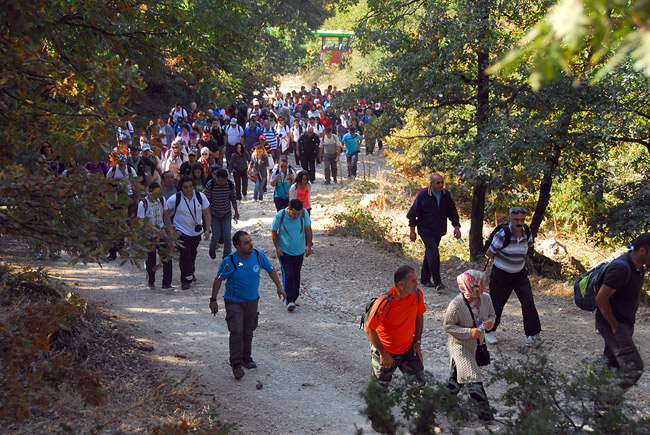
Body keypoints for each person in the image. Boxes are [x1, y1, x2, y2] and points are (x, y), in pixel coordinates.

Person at [210, 231, 286, 380]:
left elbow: (270, 269)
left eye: (250, 241)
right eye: (246, 242)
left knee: (248, 330)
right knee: (236, 330)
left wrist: (279, 287)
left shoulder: (258, 255)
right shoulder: (229, 261)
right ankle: (236, 364)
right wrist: (213, 300)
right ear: (238, 246)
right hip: (234, 302)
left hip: (252, 301)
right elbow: (218, 280)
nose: (251, 244)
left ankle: (247, 358)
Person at [595, 232, 650, 391]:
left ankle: (600, 411)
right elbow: (601, 298)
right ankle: (606, 402)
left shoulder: (638, 267)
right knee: (634, 368)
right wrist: (614, 325)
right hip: (613, 324)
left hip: (624, 323)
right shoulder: (621, 268)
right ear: (642, 251)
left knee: (610, 367)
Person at [484, 206, 541, 346]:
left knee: (528, 302)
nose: (519, 223)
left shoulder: (527, 232)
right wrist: (502, 264)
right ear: (510, 219)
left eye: (522, 219)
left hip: (520, 274)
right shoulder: (503, 235)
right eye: (516, 219)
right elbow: (490, 253)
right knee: (496, 304)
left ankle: (532, 335)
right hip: (501, 274)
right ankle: (488, 331)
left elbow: (529, 248)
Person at [443, 270, 495, 421]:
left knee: (457, 376)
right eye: (481, 283)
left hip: (477, 345)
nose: (484, 285)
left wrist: (489, 323)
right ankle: (484, 413)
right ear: (472, 286)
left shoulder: (486, 298)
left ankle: (443, 402)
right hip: (460, 346)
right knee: (472, 376)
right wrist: (469, 332)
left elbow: (492, 315)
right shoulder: (456, 305)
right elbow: (448, 327)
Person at [364, 265, 426, 387]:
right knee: (379, 390)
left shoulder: (417, 295)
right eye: (413, 281)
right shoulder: (384, 302)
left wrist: (417, 341)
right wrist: (383, 353)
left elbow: (419, 316)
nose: (416, 284)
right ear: (401, 285)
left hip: (408, 349)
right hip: (387, 350)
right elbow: (369, 329)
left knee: (419, 386)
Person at [407, 173, 461, 290]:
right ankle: (437, 282)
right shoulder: (423, 195)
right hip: (425, 230)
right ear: (431, 184)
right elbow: (412, 214)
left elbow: (452, 212)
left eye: (442, 182)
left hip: (439, 230)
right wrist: (412, 231)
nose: (441, 185)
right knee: (434, 252)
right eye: (438, 183)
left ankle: (425, 279)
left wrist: (456, 227)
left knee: (430, 253)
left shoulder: (446, 195)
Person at [163, 176, 211, 290]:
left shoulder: (200, 197)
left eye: (190, 187)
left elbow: (207, 213)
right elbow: (165, 210)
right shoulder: (175, 198)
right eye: (185, 187)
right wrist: (169, 226)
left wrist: (207, 229)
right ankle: (185, 280)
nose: (188, 190)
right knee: (184, 255)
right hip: (180, 231)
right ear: (181, 188)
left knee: (192, 254)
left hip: (195, 232)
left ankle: (190, 272)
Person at [271, 199, 312, 312]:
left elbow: (308, 229)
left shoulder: (304, 214)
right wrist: (277, 247)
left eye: (298, 213)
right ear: (289, 209)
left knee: (296, 274)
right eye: (294, 213)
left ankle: (294, 296)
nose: (296, 216)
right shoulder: (281, 215)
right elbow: (274, 231)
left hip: (299, 250)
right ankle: (290, 300)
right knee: (288, 272)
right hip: (285, 251)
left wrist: (308, 245)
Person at [137, 182, 173, 289]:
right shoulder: (143, 204)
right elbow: (141, 221)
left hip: (161, 233)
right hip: (150, 236)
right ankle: (151, 280)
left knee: (166, 257)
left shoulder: (162, 201)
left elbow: (166, 216)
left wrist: (170, 230)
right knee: (151, 259)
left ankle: (166, 283)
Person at [204, 168, 239, 260]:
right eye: (221, 180)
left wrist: (236, 212)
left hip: (226, 214)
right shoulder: (210, 185)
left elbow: (233, 199)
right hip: (214, 215)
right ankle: (212, 247)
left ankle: (226, 256)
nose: (223, 182)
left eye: (225, 180)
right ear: (216, 177)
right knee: (216, 235)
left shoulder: (230, 185)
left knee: (227, 235)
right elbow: (206, 201)